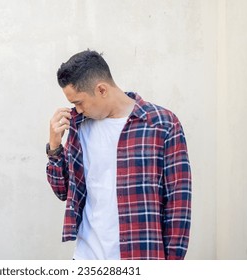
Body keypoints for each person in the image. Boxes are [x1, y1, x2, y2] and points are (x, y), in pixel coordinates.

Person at [46, 50, 192, 260]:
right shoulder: (79, 128)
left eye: (79, 102)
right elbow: (63, 192)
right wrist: (54, 147)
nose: (76, 110)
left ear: (102, 90)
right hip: (87, 257)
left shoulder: (162, 125)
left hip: (140, 256)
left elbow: (179, 204)